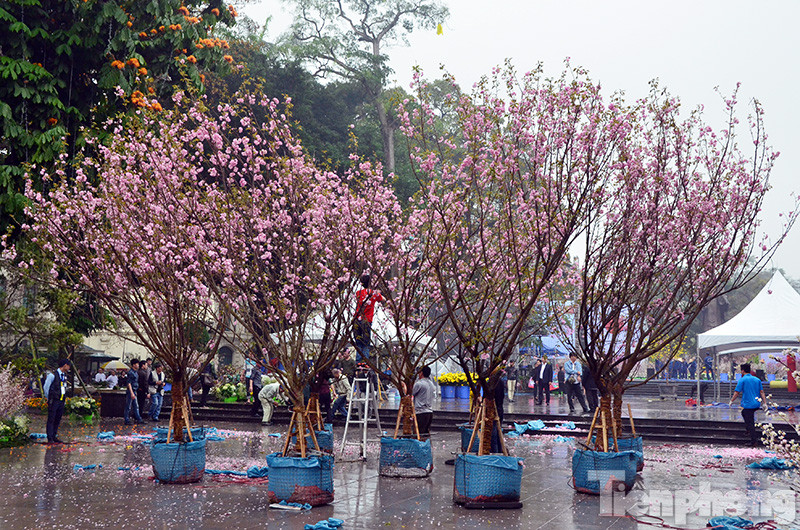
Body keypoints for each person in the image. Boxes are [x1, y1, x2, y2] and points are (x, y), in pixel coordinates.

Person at [729, 363, 767, 447]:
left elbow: (737, 392)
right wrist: (764, 403)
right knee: (744, 413)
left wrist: (731, 401)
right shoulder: (757, 380)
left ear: (742, 371)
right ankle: (748, 430)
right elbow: (762, 392)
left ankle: (753, 441)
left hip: (748, 404)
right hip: (756, 403)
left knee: (750, 422)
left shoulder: (742, 380)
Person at [353, 274, 384, 361]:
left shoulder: (358, 293)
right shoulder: (374, 293)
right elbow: (383, 299)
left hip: (357, 319)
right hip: (367, 320)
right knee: (366, 342)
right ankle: (365, 360)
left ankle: (358, 360)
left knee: (358, 342)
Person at [43, 359, 71, 443]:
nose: (69, 368)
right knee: (51, 418)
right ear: (65, 365)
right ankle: (50, 437)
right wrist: (49, 398)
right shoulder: (52, 375)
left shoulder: (64, 376)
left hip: (61, 400)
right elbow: (46, 387)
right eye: (69, 366)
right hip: (54, 400)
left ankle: (54, 435)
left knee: (58, 418)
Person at [412, 366, 435, 436]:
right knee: (425, 434)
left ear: (421, 373)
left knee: (418, 435)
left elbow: (411, 393)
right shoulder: (431, 384)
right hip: (429, 412)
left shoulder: (419, 384)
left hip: (420, 412)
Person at [124, 359, 143, 425]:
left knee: (136, 405)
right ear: (134, 365)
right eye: (137, 364)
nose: (138, 365)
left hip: (134, 390)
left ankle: (139, 419)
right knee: (128, 406)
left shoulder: (135, 372)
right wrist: (132, 393)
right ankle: (126, 419)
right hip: (131, 391)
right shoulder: (130, 373)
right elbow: (129, 383)